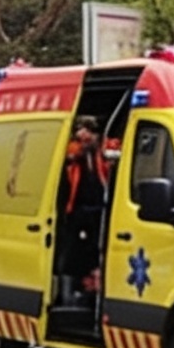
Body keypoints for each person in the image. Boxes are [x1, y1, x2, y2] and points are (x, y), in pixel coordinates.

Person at [58, 116, 112, 305]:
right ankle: (69, 294)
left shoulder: (101, 153)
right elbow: (69, 158)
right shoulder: (74, 151)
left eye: (89, 130)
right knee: (74, 253)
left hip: (99, 211)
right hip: (78, 211)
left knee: (96, 252)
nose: (85, 134)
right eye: (81, 130)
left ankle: (91, 288)